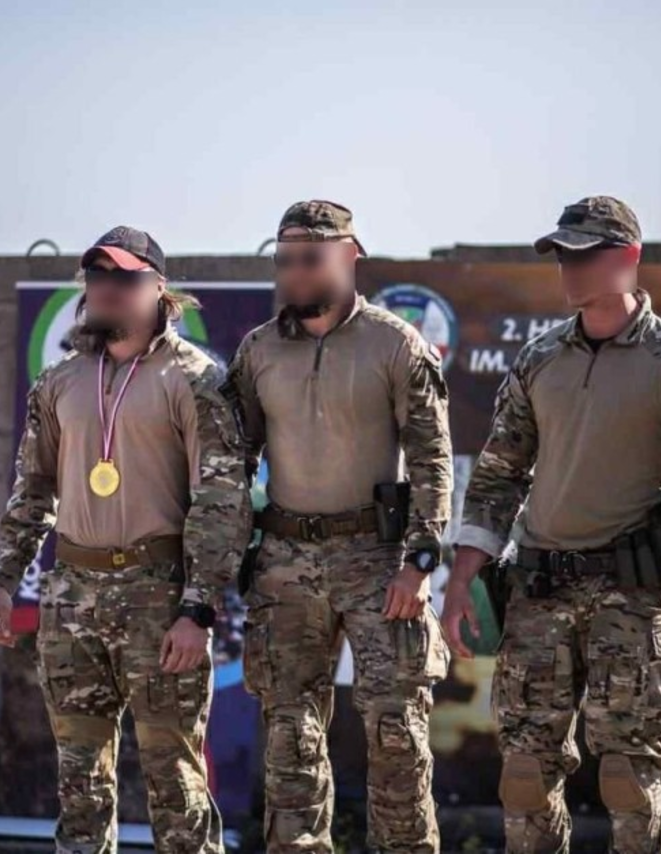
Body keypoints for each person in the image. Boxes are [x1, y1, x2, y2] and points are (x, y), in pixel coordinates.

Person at [441, 196, 661, 854]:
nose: (569, 269)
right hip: (538, 592)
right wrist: (461, 581)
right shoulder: (540, 358)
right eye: (561, 256)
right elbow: (497, 476)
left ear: (629, 257)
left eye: (584, 255)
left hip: (631, 598)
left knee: (629, 777)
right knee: (524, 775)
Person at [0, 226, 251, 854]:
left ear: (158, 288)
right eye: (98, 277)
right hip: (72, 598)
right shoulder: (59, 381)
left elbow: (222, 500)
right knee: (79, 787)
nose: (108, 289)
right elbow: (32, 489)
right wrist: (2, 581)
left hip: (159, 599)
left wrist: (197, 608)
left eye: (125, 278)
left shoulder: (197, 379)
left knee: (176, 785)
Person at [228, 200, 454, 852]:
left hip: (377, 559)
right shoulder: (258, 350)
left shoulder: (395, 344)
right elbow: (231, 462)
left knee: (397, 733)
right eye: (284, 260)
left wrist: (420, 561)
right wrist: (230, 557)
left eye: (311, 258)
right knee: (290, 739)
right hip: (285, 562)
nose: (295, 272)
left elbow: (433, 459)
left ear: (350, 256)